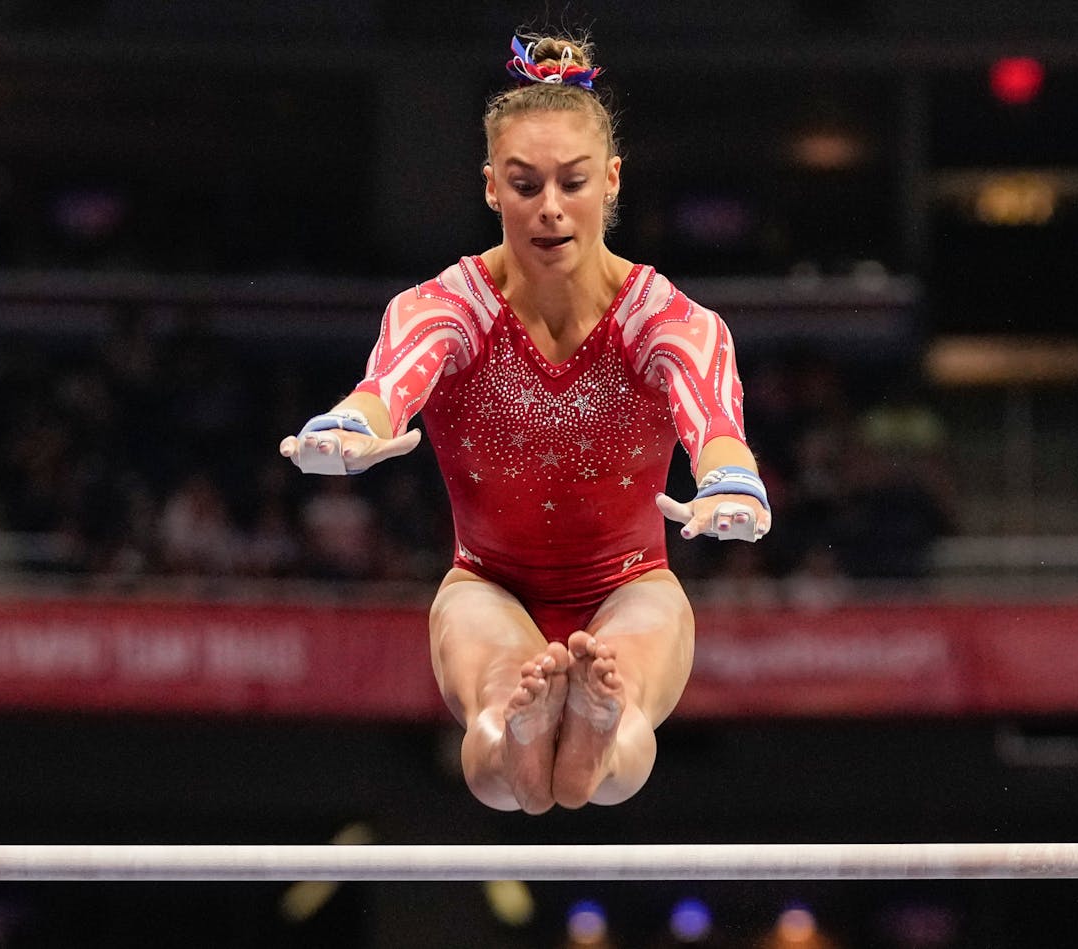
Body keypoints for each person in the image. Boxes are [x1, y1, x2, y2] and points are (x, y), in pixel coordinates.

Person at [280, 34, 771, 814]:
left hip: (630, 583)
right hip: (488, 582)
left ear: (610, 181)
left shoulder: (664, 318)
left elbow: (713, 416)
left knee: (627, 699)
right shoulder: (448, 306)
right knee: (498, 734)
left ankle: (600, 725)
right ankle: (527, 727)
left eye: (572, 182)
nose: (549, 206)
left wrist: (731, 479)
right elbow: (389, 383)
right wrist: (347, 425)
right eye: (524, 183)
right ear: (489, 188)